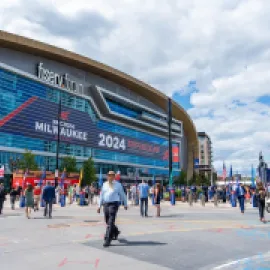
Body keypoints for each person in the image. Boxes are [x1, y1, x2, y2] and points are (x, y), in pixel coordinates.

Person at [98, 171, 127, 247]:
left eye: (111, 175)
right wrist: (99, 206)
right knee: (107, 221)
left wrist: (125, 204)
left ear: (114, 177)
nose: (110, 177)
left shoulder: (118, 185)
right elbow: (101, 195)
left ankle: (108, 239)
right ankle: (116, 231)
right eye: (109, 175)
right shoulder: (104, 184)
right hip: (106, 204)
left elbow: (122, 194)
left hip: (114, 204)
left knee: (111, 221)